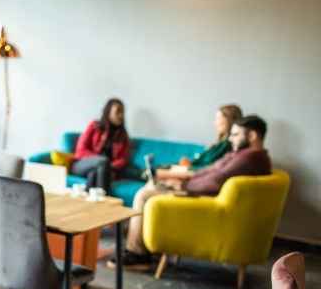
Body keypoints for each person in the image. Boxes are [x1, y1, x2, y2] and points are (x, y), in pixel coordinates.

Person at [118, 115, 272, 267]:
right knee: (152, 186)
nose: (231, 139)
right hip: (203, 194)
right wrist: (181, 181)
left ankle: (136, 253)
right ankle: (145, 248)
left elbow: (216, 180)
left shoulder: (249, 158)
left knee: (144, 195)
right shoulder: (244, 155)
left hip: (206, 201)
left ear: (252, 135)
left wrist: (182, 186)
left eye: (235, 134)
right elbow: (209, 171)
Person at [156, 104, 242, 184]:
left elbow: (210, 168)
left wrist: (188, 166)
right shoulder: (219, 144)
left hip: (194, 173)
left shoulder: (227, 145)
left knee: (159, 171)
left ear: (229, 120)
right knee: (162, 168)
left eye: (218, 118)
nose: (215, 122)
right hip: (191, 170)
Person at [71, 98, 130, 192]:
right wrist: (101, 160)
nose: (121, 115)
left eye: (122, 112)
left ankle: (92, 201)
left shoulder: (123, 135)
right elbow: (80, 150)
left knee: (94, 173)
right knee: (103, 162)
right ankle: (104, 198)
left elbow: (123, 159)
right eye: (118, 112)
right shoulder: (94, 126)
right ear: (108, 112)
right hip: (82, 164)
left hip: (105, 170)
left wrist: (107, 166)